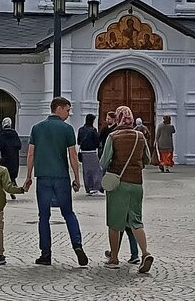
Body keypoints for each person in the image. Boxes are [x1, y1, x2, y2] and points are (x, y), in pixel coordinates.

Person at [24, 96, 88, 267]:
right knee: (68, 213)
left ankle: (45, 254)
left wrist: (29, 176)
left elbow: (30, 153)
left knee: (43, 216)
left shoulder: (37, 128)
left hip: (43, 177)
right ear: (58, 108)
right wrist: (76, 177)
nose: (68, 113)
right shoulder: (67, 129)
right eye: (67, 110)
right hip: (61, 177)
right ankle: (77, 246)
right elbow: (72, 155)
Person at [100, 105, 153, 273]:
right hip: (137, 183)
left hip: (118, 184)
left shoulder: (113, 136)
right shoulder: (140, 136)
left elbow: (103, 162)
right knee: (136, 221)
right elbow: (148, 159)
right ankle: (145, 253)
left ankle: (114, 257)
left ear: (117, 118)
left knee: (115, 222)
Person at [0, 118, 22, 198]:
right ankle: (12, 187)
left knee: (3, 174)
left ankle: (2, 190)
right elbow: (19, 145)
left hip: (4, 157)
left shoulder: (0, 134)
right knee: (12, 175)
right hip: (13, 158)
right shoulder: (14, 133)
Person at [77, 113, 102, 195]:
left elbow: (78, 141)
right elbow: (97, 143)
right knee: (96, 171)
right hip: (92, 152)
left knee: (86, 171)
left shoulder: (81, 129)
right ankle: (95, 188)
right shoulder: (93, 130)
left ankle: (88, 188)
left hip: (84, 153)